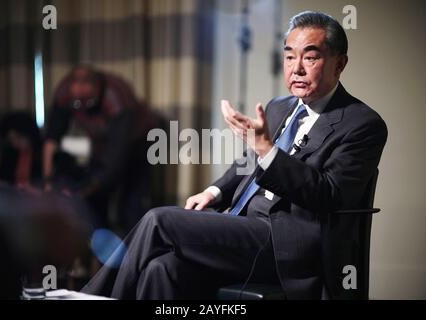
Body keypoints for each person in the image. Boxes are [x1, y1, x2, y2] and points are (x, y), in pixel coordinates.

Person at [81, 11, 388, 300]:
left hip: (287, 247)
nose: (296, 68)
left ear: (340, 63)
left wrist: (266, 149)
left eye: (310, 57)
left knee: (159, 220)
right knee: (161, 268)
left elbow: (330, 195)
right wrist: (215, 191)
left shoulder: (362, 124)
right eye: (289, 56)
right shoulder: (279, 107)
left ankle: (91, 298)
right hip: (241, 228)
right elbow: (248, 163)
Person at [43, 65, 155, 232]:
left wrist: (86, 189)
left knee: (130, 205)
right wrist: (48, 180)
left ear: (97, 90)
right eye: (77, 104)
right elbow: (51, 139)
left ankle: (137, 253)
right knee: (94, 207)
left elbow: (114, 158)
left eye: (87, 102)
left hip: (138, 142)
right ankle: (100, 252)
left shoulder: (117, 97)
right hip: (101, 144)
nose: (82, 108)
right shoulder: (65, 92)